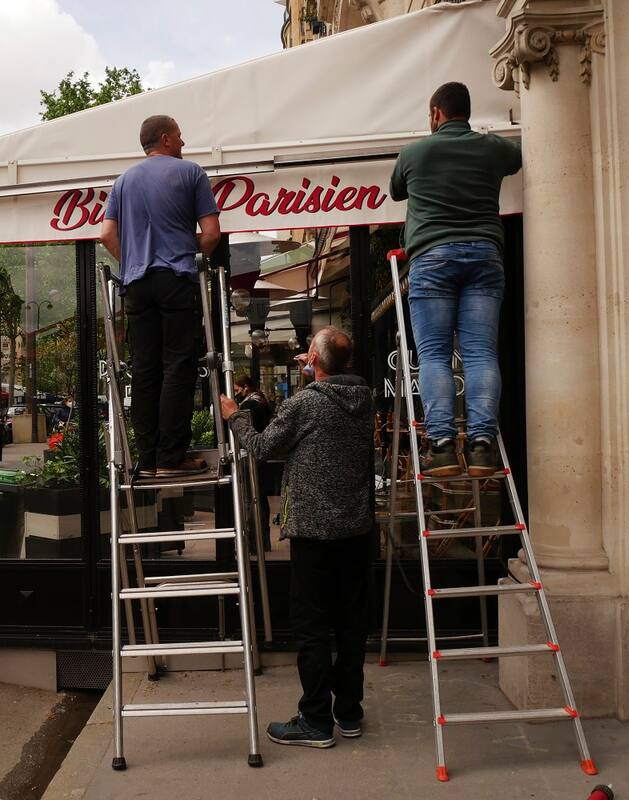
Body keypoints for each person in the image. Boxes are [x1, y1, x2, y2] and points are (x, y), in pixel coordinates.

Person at [220, 327, 374, 748]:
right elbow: (328, 405)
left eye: (309, 352)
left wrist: (235, 415)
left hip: (312, 532)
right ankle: (349, 713)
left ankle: (316, 721)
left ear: (315, 360)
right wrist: (316, 371)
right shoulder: (364, 399)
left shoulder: (305, 403)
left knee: (311, 627)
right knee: (350, 625)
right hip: (356, 529)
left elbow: (262, 446)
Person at [389, 81, 522, 477]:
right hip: (484, 255)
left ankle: (443, 446)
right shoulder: (493, 148)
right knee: (481, 353)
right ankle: (482, 446)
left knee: (433, 355)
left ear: (435, 113)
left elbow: (396, 190)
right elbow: (517, 158)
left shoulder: (414, 153)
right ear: (467, 111)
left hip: (432, 259)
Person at [100, 114, 221, 478]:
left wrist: (134, 261)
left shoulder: (123, 181)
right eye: (181, 136)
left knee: (144, 370)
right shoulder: (192, 173)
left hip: (136, 284)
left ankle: (148, 459)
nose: (184, 143)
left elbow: (107, 234)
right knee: (179, 366)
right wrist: (187, 252)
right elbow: (212, 233)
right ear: (166, 139)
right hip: (176, 278)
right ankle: (171, 457)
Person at [233, 374, 273, 547]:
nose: (236, 393)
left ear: (245, 387)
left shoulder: (249, 405)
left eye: (237, 390)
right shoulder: (262, 401)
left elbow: (248, 431)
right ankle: (262, 540)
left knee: (251, 498)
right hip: (261, 457)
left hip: (251, 455)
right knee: (259, 497)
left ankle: (255, 541)